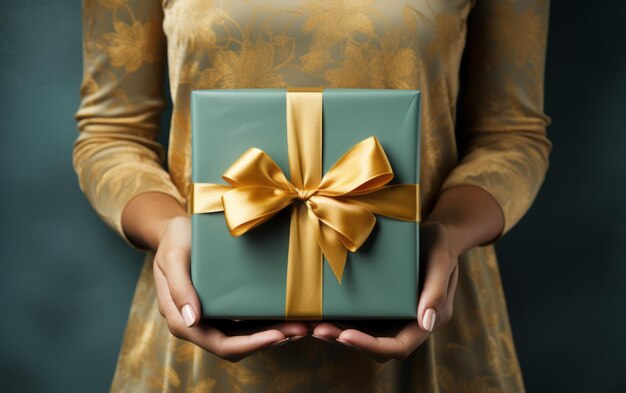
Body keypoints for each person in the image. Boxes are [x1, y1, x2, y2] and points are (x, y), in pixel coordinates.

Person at [72, 0, 552, 391]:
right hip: (198, 309)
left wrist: (449, 234)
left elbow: (511, 136)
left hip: (428, 311)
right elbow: (111, 134)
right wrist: (168, 230)